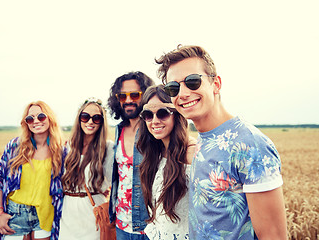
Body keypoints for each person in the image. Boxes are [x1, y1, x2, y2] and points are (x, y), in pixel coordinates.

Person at [155, 45, 287, 239]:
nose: (182, 94)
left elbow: (273, 235)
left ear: (216, 84)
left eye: (192, 81)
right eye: (173, 88)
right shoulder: (204, 138)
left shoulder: (250, 145)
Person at [0, 101, 66, 240]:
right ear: (26, 123)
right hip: (15, 215)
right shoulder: (15, 147)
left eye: (41, 116)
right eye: (30, 118)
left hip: (45, 215)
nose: (36, 121)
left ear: (50, 118)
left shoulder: (60, 150)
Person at [136, 85, 196, 239]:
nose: (155, 121)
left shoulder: (193, 153)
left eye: (162, 113)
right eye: (148, 115)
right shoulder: (154, 154)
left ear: (177, 115)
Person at [107, 71, 154, 239]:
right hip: (121, 223)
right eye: (122, 96)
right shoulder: (118, 129)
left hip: (148, 226)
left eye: (135, 95)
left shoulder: (154, 129)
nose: (128, 100)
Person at [59, 98, 114, 239]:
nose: (90, 122)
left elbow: (117, 182)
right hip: (67, 214)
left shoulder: (107, 148)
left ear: (102, 122)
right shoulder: (68, 146)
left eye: (96, 118)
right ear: (79, 119)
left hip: (93, 212)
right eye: (85, 117)